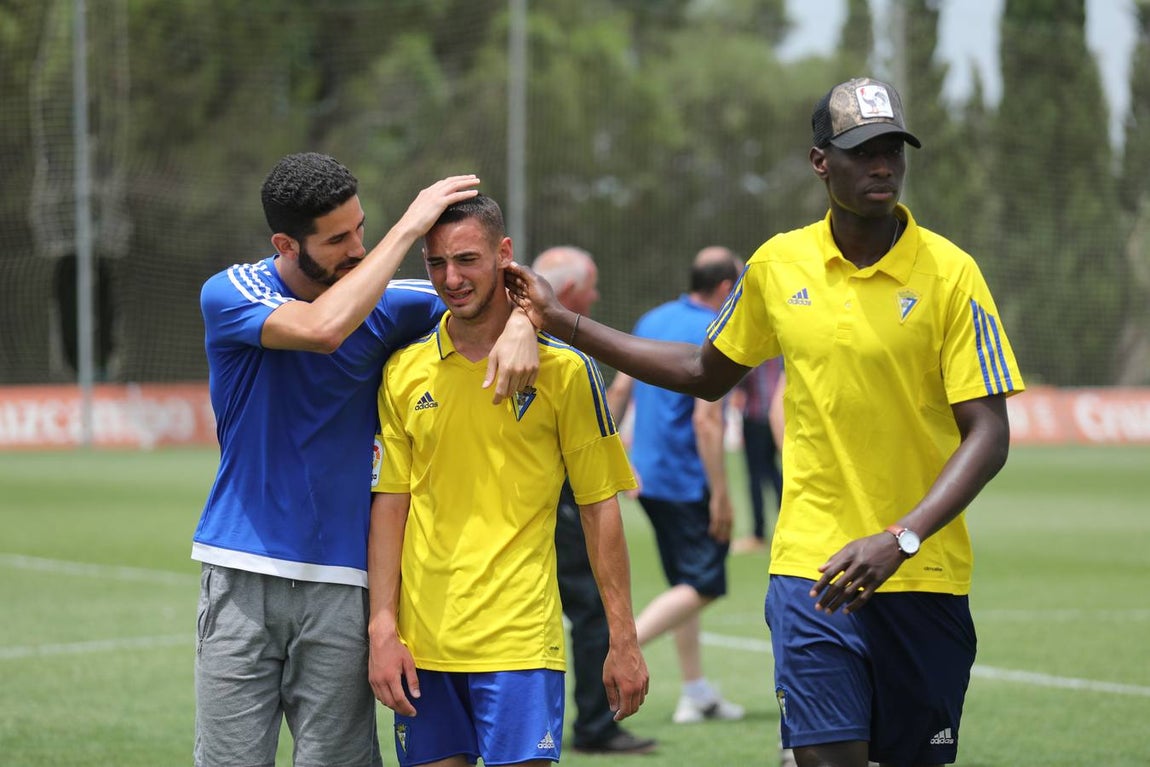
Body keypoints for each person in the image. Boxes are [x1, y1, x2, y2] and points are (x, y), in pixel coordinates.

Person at [506, 76, 1025, 767]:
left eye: (893, 149)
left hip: (922, 575)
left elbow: (988, 433)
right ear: (820, 162)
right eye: (863, 150)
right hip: (808, 571)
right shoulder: (779, 265)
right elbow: (703, 371)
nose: (882, 166)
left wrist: (901, 537)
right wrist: (564, 321)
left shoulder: (953, 274)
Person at [193, 153, 538, 767]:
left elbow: (507, 286)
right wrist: (408, 227)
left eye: (362, 229)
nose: (358, 248)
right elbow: (323, 327)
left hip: (343, 584)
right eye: (337, 239)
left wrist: (524, 325)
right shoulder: (233, 292)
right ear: (286, 244)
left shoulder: (393, 303)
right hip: (241, 571)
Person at [366, 195, 649, 767]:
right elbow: (390, 505)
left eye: (467, 259)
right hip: (424, 648)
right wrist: (382, 628)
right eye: (436, 263)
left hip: (520, 642)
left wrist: (624, 639)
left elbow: (600, 508)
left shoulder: (566, 371)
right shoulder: (402, 371)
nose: (452, 278)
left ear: (504, 255)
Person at [605, 246, 746, 725]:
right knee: (704, 584)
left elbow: (620, 389)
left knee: (684, 582)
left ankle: (695, 691)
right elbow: (709, 422)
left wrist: (615, 456)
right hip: (687, 482)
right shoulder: (715, 330)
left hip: (647, 479)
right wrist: (723, 497)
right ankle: (617, 650)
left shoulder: (652, 318)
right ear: (727, 288)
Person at [531, 246, 658, 755]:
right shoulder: (548, 345)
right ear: (565, 293)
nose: (597, 295)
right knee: (586, 605)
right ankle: (594, 724)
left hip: (562, 487)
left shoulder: (556, 343)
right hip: (560, 493)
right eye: (591, 286)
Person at [731, 356, 785, 554]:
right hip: (779, 416)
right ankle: (784, 526)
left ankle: (758, 534)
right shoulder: (781, 348)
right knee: (775, 473)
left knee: (756, 476)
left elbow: (739, 378)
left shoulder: (757, 347)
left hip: (756, 416)